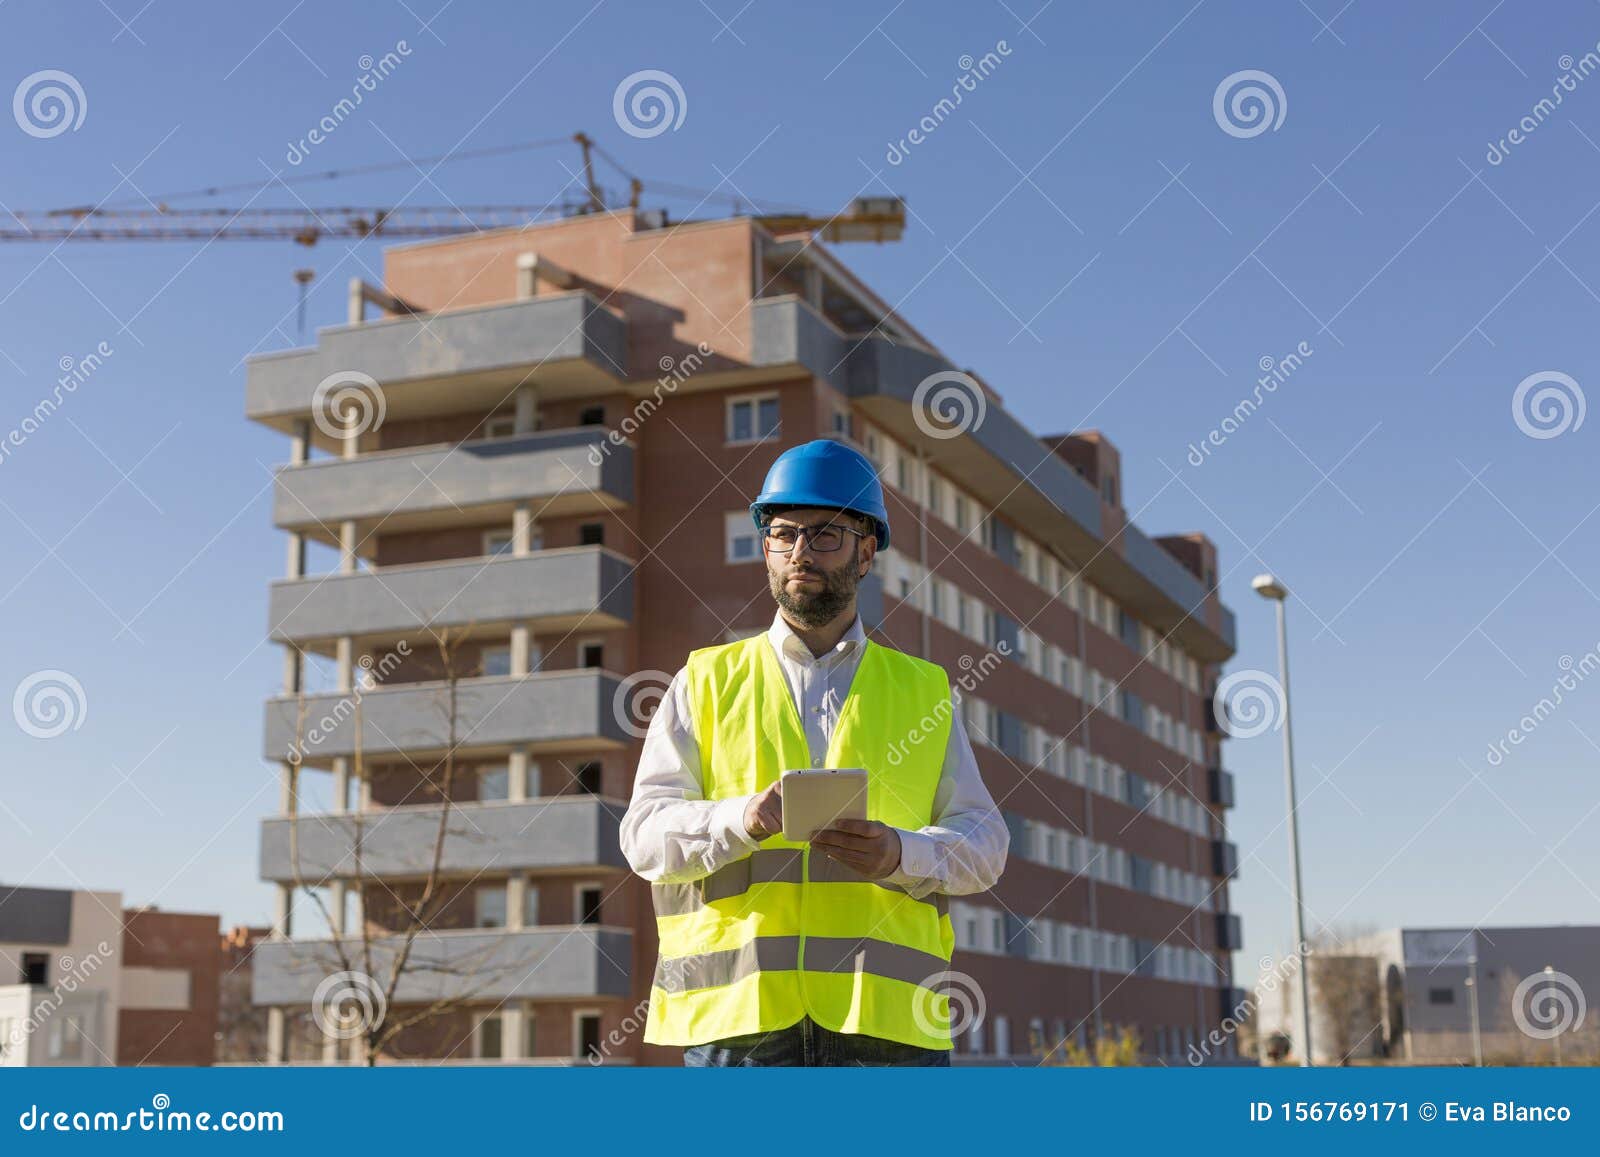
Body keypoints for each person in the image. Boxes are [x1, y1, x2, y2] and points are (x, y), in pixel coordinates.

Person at [620, 437, 1009, 1066]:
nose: (799, 551)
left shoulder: (922, 691)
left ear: (866, 551)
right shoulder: (705, 680)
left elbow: (985, 845)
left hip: (887, 1032)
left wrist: (900, 852)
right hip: (739, 1032)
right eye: (782, 533)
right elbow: (642, 837)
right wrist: (740, 819)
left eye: (824, 534)